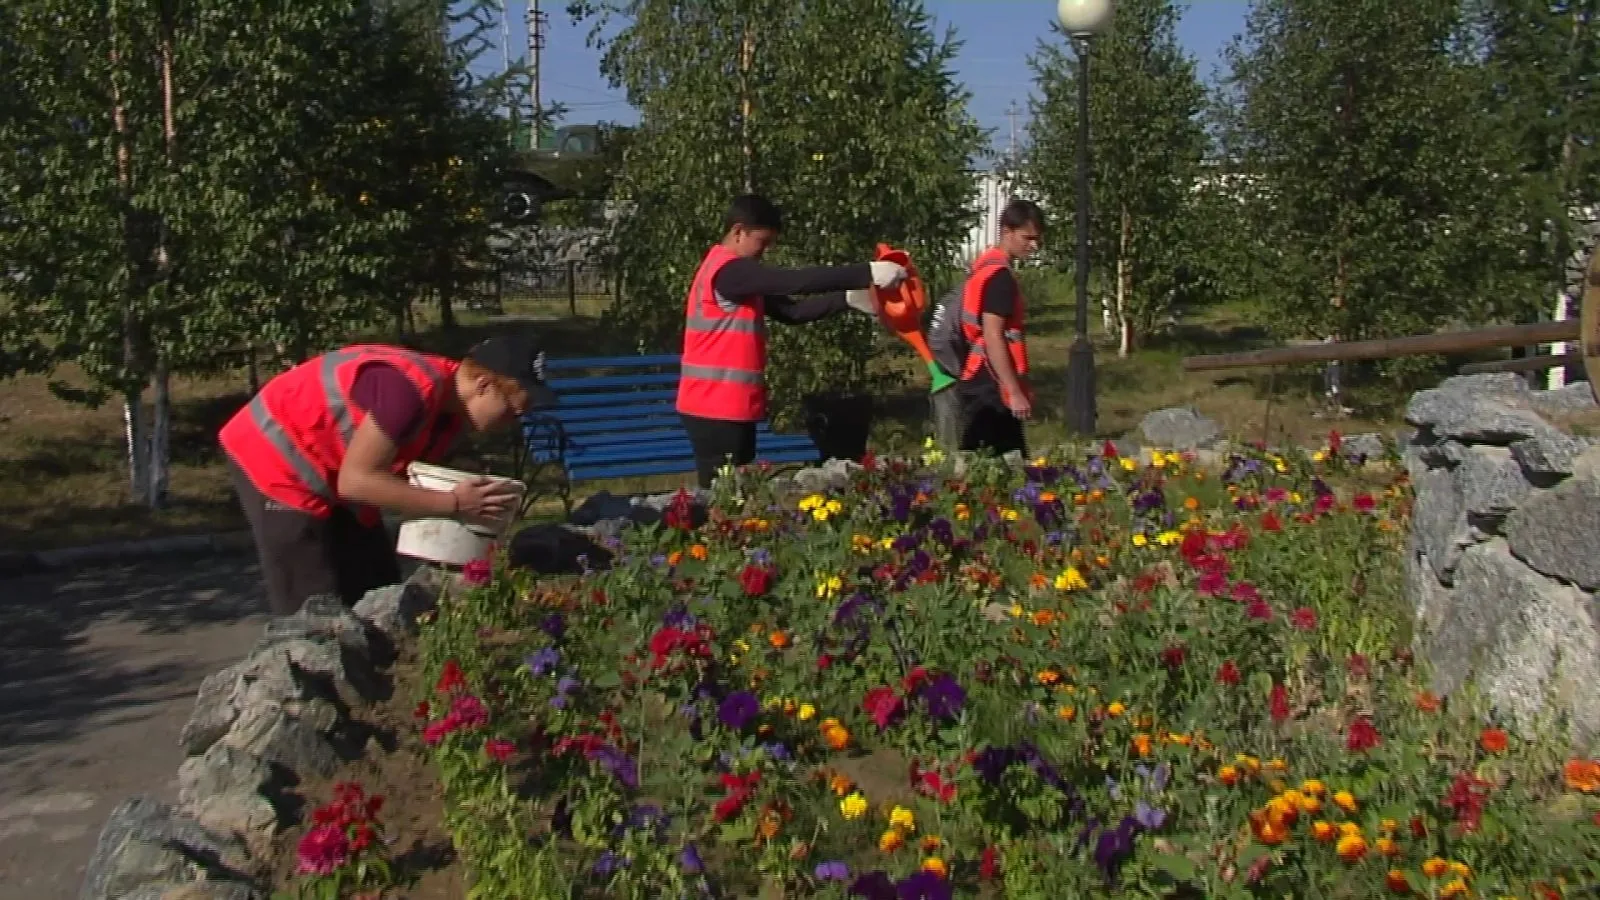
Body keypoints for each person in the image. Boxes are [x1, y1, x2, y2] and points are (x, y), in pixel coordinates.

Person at [218, 334, 556, 615]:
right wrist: (453, 503)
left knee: (377, 584)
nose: (514, 422)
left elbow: (391, 478)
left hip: (331, 471)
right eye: (513, 410)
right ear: (483, 385)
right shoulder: (409, 393)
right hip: (275, 459)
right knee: (312, 602)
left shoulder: (450, 414)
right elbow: (357, 481)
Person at [676, 193, 909, 488]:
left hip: (725, 406)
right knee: (722, 499)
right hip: (713, 407)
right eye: (762, 242)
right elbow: (792, 282)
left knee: (736, 496)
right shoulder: (730, 271)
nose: (765, 251)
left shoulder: (736, 277)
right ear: (738, 232)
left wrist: (847, 299)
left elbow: (792, 311)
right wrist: (866, 273)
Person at [956, 198, 1045, 458]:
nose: (1034, 246)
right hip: (991, 382)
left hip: (981, 375)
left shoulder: (985, 268)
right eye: (1027, 238)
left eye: (1037, 239)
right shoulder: (1000, 278)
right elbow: (994, 335)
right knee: (999, 463)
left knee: (986, 462)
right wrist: (1014, 391)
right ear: (1007, 232)